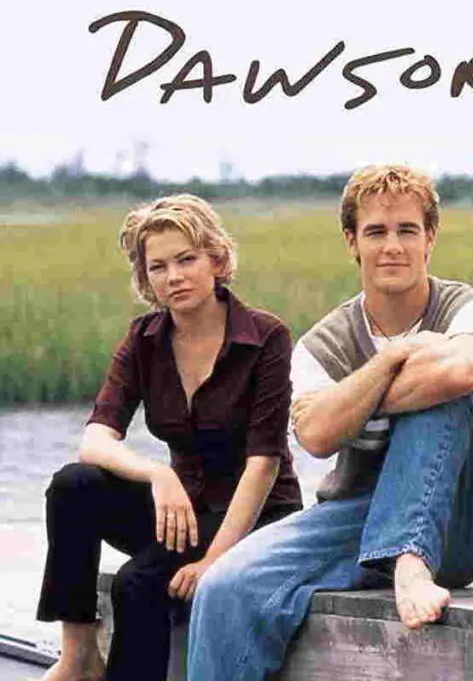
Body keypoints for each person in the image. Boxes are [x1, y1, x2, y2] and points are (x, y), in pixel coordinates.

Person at [187, 164, 473, 680]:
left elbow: (463, 370)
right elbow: (316, 435)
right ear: (352, 241)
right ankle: (397, 555)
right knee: (224, 587)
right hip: (359, 515)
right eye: (376, 232)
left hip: (466, 518)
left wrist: (353, 401)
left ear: (429, 238)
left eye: (407, 230)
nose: (393, 246)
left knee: (442, 391)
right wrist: (393, 358)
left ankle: (409, 558)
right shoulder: (322, 344)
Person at [35, 194, 303, 681]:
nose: (173, 276)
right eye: (158, 266)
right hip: (184, 514)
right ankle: (79, 657)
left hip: (257, 518)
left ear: (216, 259)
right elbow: (94, 440)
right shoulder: (144, 339)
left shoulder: (265, 337)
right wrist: (157, 473)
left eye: (186, 259)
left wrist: (214, 562)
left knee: (138, 582)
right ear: (145, 277)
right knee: (73, 485)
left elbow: (264, 462)